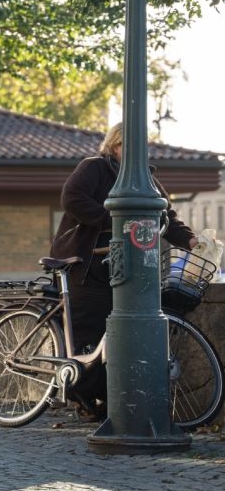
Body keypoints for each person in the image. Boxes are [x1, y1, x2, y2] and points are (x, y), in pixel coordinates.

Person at [50, 123, 197, 420]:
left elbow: (165, 216)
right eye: (129, 147)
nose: (136, 154)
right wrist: (113, 220)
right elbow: (73, 198)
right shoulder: (93, 168)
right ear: (114, 145)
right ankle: (84, 398)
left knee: (118, 338)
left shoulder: (147, 180)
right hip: (86, 263)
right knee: (89, 332)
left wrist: (192, 241)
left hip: (129, 267)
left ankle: (109, 401)